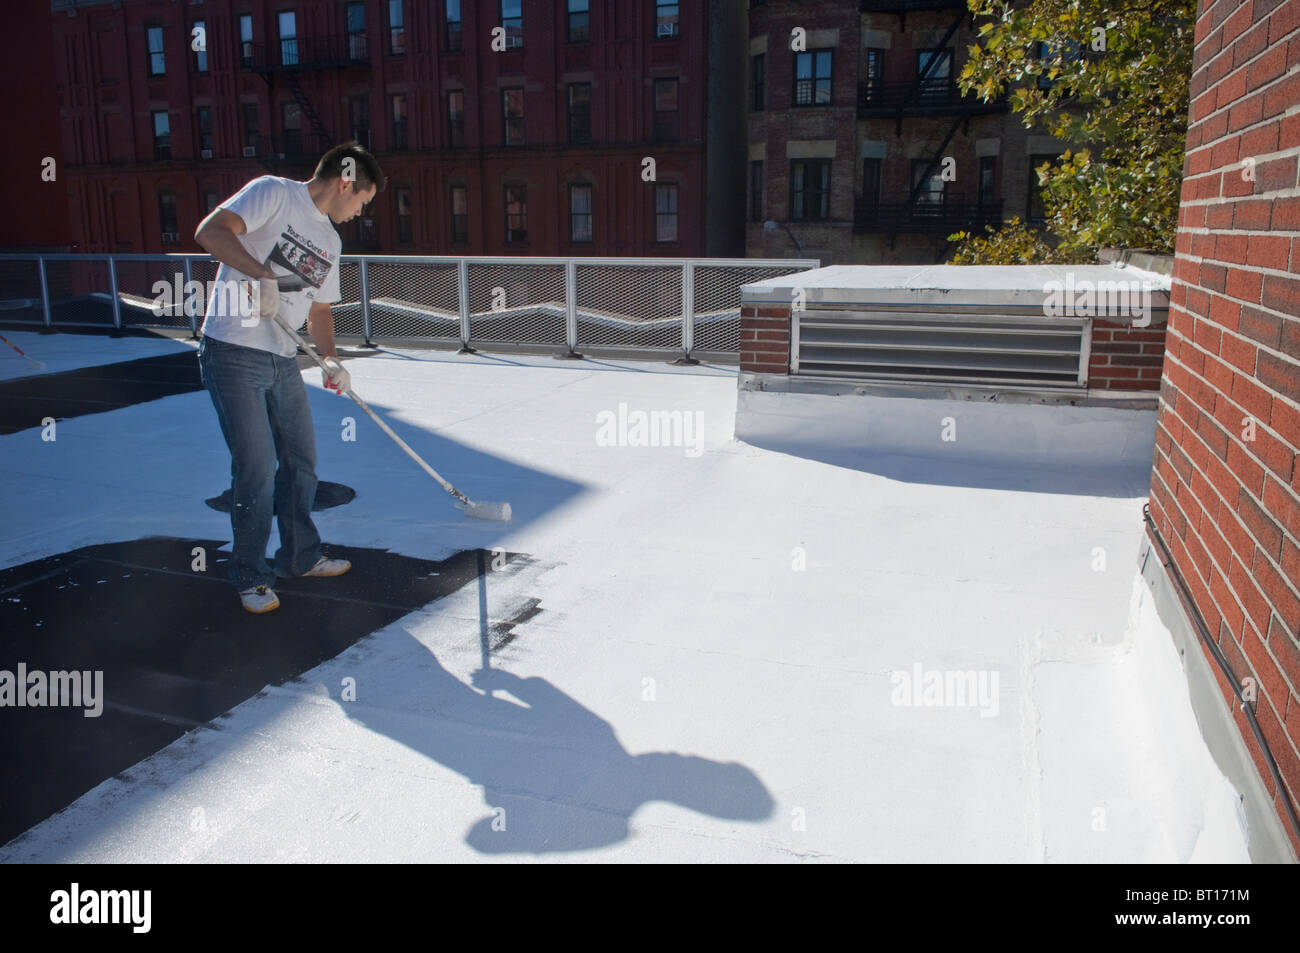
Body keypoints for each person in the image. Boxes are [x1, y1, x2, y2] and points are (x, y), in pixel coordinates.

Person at [194, 142, 386, 613]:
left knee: (301, 461)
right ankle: (249, 575)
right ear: (345, 182)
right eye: (362, 201)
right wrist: (261, 275)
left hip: (282, 356)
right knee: (256, 469)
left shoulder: (332, 242)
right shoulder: (274, 194)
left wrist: (331, 360)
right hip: (233, 350)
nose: (359, 212)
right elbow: (211, 231)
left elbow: (320, 309)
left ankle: (300, 556)